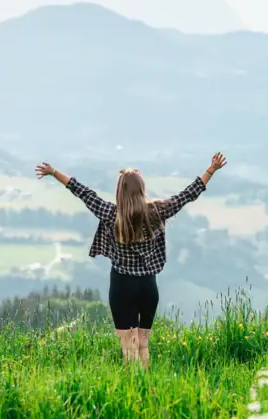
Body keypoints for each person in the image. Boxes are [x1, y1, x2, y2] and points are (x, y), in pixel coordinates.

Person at [34, 153, 227, 368]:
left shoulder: (110, 213)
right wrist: (211, 170)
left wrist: (54, 172)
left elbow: (83, 192)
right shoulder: (157, 212)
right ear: (142, 189)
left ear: (120, 191)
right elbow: (187, 195)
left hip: (122, 285)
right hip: (148, 286)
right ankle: (146, 381)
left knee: (128, 345)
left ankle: (133, 383)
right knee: (143, 343)